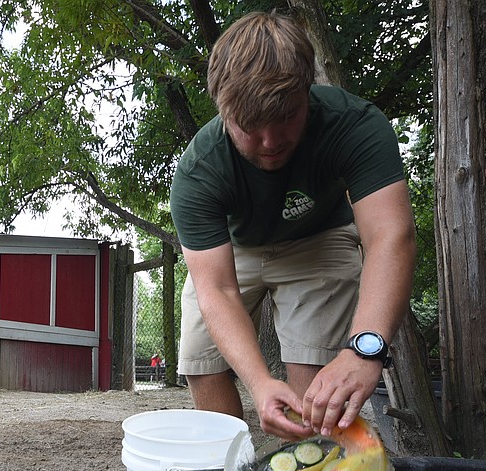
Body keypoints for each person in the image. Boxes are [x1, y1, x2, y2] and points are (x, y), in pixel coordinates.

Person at [170, 11, 416, 441]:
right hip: (234, 251)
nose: (270, 141)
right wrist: (260, 384)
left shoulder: (356, 126)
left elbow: (389, 237)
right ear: (223, 111)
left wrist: (364, 348)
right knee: (200, 360)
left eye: (286, 117)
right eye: (249, 126)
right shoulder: (198, 172)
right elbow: (217, 289)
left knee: (316, 394)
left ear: (308, 90)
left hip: (318, 241)